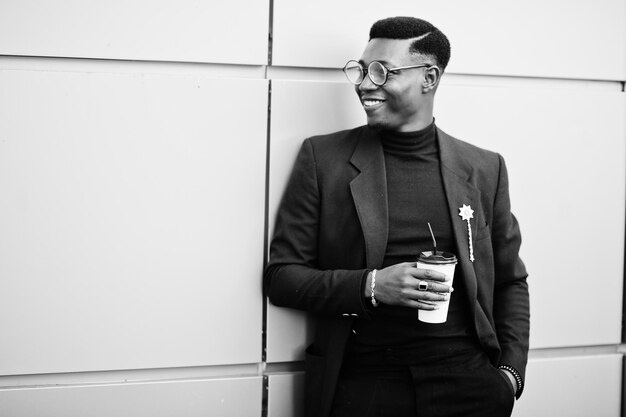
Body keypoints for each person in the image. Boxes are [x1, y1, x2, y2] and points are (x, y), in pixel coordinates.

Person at [264, 16, 529, 417]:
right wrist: (373, 286)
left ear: (429, 77)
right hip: (365, 383)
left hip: (469, 384)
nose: (365, 83)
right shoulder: (324, 159)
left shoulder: (484, 168)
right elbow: (282, 276)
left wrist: (509, 375)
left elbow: (510, 280)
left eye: (383, 71)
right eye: (362, 69)